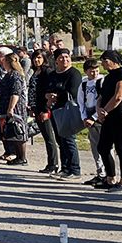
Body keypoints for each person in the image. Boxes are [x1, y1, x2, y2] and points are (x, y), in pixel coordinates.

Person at [95, 50, 122, 192]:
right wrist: (99, 109)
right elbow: (101, 95)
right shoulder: (109, 77)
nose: (103, 63)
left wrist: (105, 110)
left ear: (114, 60)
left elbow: (119, 96)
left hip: (121, 117)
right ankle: (110, 178)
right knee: (103, 147)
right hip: (108, 118)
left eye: (105, 60)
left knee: (121, 149)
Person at [45, 48, 83, 179]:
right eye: (61, 57)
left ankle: (75, 169)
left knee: (68, 139)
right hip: (56, 111)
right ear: (56, 60)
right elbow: (48, 88)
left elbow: (73, 92)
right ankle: (65, 168)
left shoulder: (74, 73)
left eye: (67, 57)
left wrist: (56, 95)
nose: (64, 60)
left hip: (68, 110)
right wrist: (49, 95)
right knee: (60, 140)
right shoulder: (53, 74)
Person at [77, 59, 106, 187]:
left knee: (105, 146)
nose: (94, 73)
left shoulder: (102, 81)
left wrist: (94, 117)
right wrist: (84, 117)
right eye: (91, 71)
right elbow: (81, 102)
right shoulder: (84, 83)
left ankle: (107, 173)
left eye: (96, 70)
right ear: (86, 71)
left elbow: (104, 102)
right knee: (95, 147)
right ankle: (100, 172)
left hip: (100, 117)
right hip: (88, 117)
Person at [0, 52, 28, 166]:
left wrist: (11, 108)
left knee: (18, 132)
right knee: (11, 133)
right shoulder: (8, 75)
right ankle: (17, 156)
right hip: (4, 106)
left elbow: (15, 93)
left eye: (4, 60)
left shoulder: (16, 75)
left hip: (15, 108)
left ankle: (22, 157)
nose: (2, 62)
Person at [29, 50, 58, 174]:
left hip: (44, 108)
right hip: (36, 107)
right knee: (46, 137)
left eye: (39, 58)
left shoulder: (47, 72)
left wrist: (46, 109)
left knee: (49, 137)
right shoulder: (35, 72)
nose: (37, 60)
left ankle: (53, 164)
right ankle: (50, 163)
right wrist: (31, 107)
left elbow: (49, 91)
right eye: (35, 58)